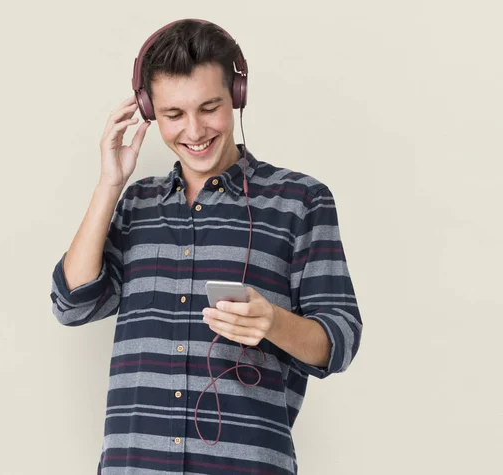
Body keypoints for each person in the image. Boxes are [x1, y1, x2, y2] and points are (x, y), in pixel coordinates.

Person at [50, 19, 363, 475]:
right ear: (150, 110)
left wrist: (273, 322)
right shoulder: (136, 204)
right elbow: (72, 304)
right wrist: (109, 185)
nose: (194, 130)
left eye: (209, 108)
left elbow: (340, 339)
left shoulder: (301, 201)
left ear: (236, 98)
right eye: (174, 115)